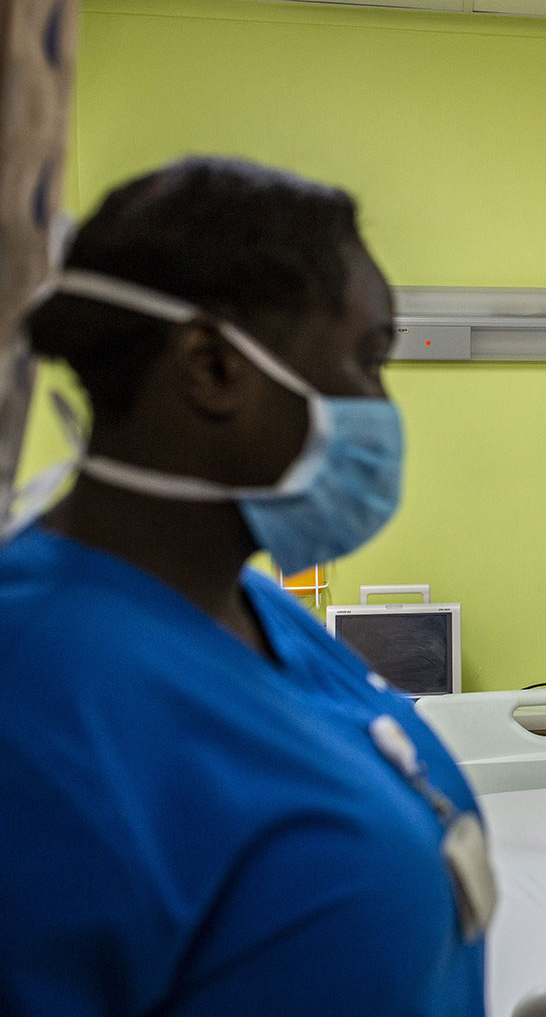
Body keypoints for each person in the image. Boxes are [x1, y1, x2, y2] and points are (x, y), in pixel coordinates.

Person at [0, 157, 490, 1016]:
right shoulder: (37, 702)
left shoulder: (251, 608)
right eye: (367, 361)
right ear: (213, 365)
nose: (382, 406)